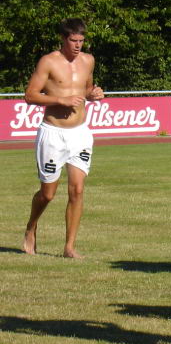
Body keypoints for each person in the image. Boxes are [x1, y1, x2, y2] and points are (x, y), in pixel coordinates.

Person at [22, 18, 104, 259]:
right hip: (53, 133)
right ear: (63, 38)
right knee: (47, 193)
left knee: (77, 190)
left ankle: (69, 247)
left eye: (81, 41)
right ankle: (31, 227)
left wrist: (93, 94)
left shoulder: (88, 60)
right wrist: (60, 100)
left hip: (80, 133)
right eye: (73, 40)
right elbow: (30, 95)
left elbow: (86, 90)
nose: (78, 45)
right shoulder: (48, 61)